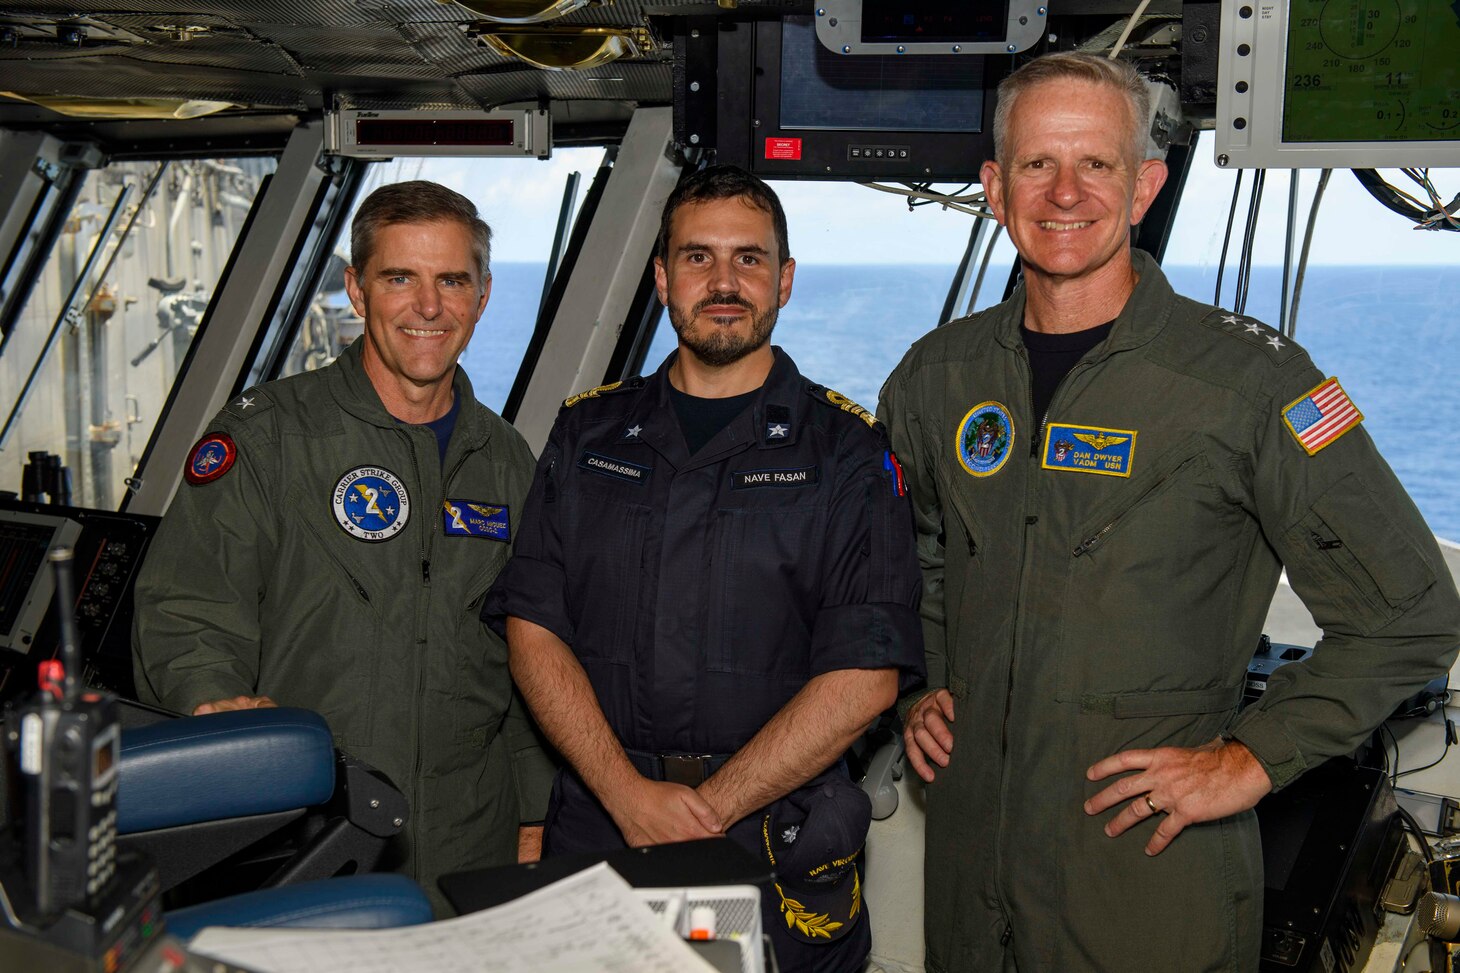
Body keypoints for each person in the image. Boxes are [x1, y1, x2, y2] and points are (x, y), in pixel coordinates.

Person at [879, 52, 1460, 972]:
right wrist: (920, 688)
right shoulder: (935, 377)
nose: (1065, 193)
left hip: (1142, 882)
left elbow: (1411, 613)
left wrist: (1251, 757)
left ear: (1145, 185)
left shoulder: (1250, 384)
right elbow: (911, 564)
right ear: (995, 187)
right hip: (970, 881)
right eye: (1037, 164)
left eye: (1096, 165)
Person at [483, 164, 925, 972]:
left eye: (749, 259)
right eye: (697, 257)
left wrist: (707, 809)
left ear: (785, 280)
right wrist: (625, 795)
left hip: (767, 833)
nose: (724, 282)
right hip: (600, 821)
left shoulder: (848, 457)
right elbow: (533, 627)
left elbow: (866, 676)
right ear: (661, 277)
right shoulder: (587, 436)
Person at [132, 180, 553, 911]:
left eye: (452, 280)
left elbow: (527, 655)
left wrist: (530, 816)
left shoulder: (507, 460)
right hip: (313, 839)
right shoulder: (269, 437)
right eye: (400, 279)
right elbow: (189, 608)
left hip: (468, 846)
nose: (429, 307)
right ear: (357, 291)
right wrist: (212, 701)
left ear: (482, 295)